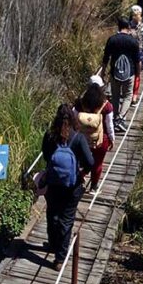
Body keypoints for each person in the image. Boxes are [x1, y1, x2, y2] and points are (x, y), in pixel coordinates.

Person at [41, 103, 94, 270]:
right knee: (66, 220)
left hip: (53, 183)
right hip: (72, 186)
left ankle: (52, 244)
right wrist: (80, 173)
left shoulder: (50, 136)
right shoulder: (78, 138)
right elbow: (90, 162)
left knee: (52, 214)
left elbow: (46, 155)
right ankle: (59, 258)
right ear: (72, 118)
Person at [100, 19, 141, 133]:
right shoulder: (133, 41)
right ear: (128, 26)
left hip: (115, 72)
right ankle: (121, 119)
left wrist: (103, 72)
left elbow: (106, 58)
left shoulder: (112, 40)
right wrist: (138, 73)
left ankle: (115, 118)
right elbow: (137, 60)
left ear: (118, 26)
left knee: (115, 96)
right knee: (128, 96)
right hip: (130, 73)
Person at [74, 83, 114, 189]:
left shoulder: (80, 104)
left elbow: (74, 120)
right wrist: (112, 139)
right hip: (100, 139)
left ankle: (79, 177)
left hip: (82, 139)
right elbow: (109, 125)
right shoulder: (106, 106)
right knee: (98, 163)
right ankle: (94, 186)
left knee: (80, 160)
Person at [129, 5, 143, 105]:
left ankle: (127, 93)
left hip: (128, 53)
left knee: (129, 73)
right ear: (140, 13)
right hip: (139, 53)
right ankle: (134, 96)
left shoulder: (128, 26)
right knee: (137, 75)